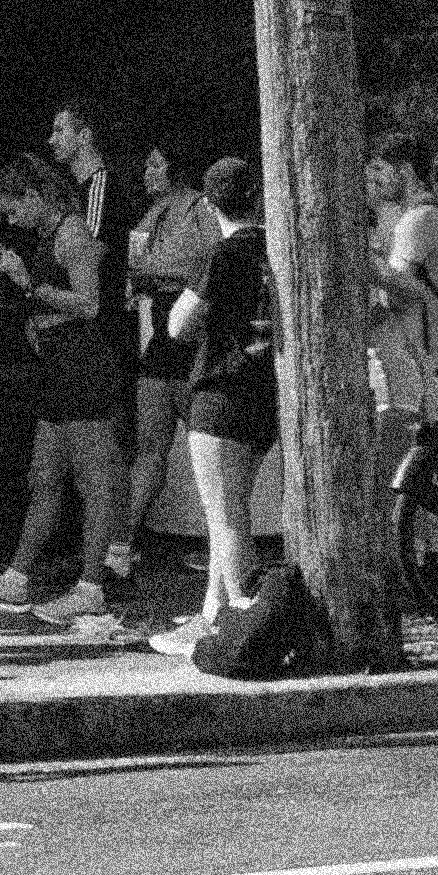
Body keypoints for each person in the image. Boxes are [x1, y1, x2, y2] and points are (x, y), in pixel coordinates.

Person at [0, 157, 129, 636]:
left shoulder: (72, 234)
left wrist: (28, 283)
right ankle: (18, 577)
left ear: (36, 195)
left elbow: (89, 303)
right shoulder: (49, 237)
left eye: (13, 209)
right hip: (58, 366)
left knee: (94, 480)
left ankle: (91, 586)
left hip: (83, 366)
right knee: (44, 476)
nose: (11, 219)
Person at [161, 152, 285, 657]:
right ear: (256, 196)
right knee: (227, 516)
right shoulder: (274, 249)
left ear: (211, 204)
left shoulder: (224, 253)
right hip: (263, 394)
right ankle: (212, 617)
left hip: (219, 393)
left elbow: (178, 325)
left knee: (227, 519)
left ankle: (242, 630)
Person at [124, 138, 224, 604]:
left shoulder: (198, 210)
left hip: (192, 336)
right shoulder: (150, 216)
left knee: (207, 447)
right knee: (150, 446)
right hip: (160, 337)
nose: (147, 173)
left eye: (155, 165)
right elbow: (135, 270)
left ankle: (218, 545)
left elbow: (200, 265)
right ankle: (121, 545)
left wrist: (157, 269)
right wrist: (157, 270)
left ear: (176, 170)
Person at [368, 133, 438, 433]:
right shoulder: (429, 214)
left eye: (381, 169)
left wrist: (368, 268)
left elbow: (400, 296)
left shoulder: (418, 221)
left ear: (405, 171)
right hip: (435, 357)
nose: (375, 180)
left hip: (434, 361)